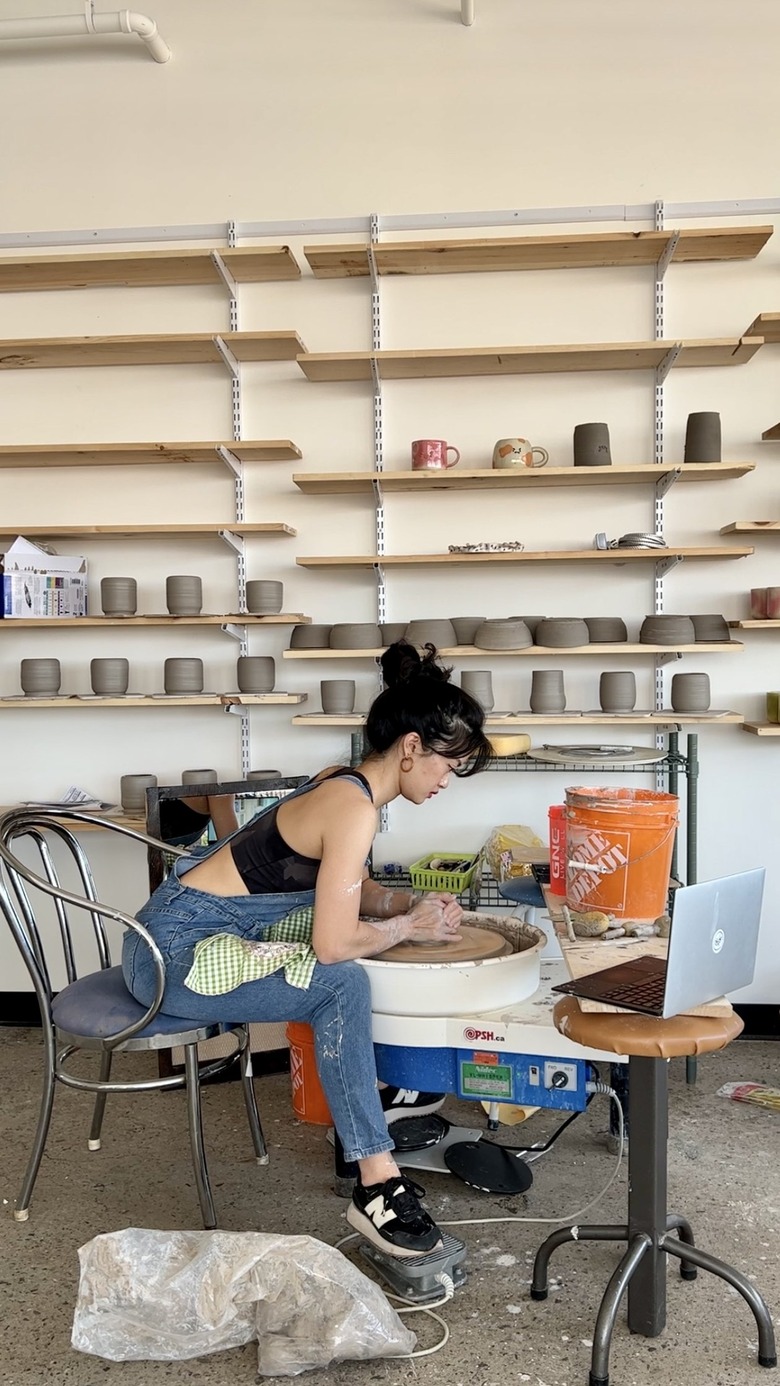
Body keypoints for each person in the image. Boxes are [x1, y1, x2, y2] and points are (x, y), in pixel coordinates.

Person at [122, 641, 492, 1259]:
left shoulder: (342, 786)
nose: (445, 781)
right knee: (342, 981)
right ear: (410, 748)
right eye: (446, 766)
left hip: (192, 929)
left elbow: (351, 890)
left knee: (352, 957)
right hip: (170, 955)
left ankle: (380, 1118)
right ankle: (376, 1184)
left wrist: (407, 906)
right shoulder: (353, 808)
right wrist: (410, 930)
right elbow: (334, 940)